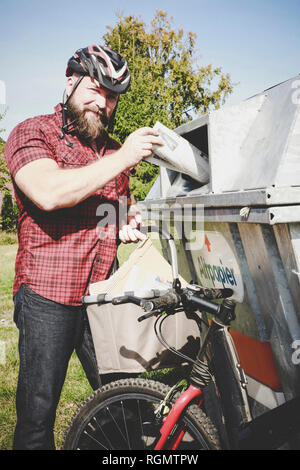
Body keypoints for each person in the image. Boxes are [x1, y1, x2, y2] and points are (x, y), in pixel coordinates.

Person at [4, 44, 163, 450]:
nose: (103, 102)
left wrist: (124, 222)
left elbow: (111, 212)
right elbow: (49, 192)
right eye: (96, 88)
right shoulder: (31, 131)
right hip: (46, 299)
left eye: (112, 96)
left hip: (101, 299)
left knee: (125, 408)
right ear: (70, 80)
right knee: (37, 417)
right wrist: (125, 156)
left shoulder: (110, 152)